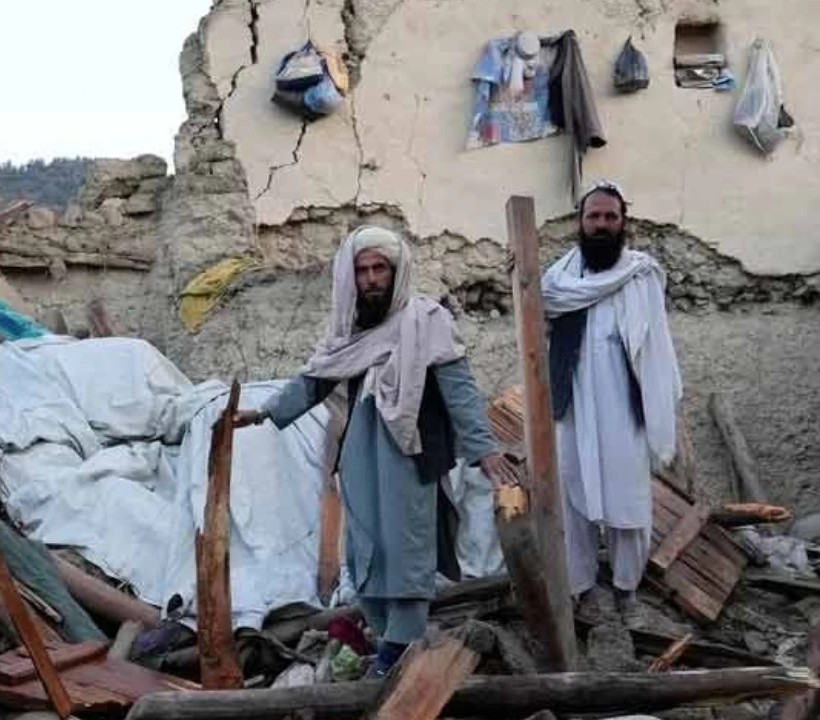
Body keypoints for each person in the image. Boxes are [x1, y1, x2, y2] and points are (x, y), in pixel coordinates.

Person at [234, 225, 517, 677]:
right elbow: (316, 379)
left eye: (379, 268)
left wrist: (484, 450)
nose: (370, 279)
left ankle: (397, 648)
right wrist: (263, 413)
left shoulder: (427, 321)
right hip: (362, 446)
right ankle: (391, 639)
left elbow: (459, 390)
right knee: (366, 546)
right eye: (362, 270)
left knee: (406, 546)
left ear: (397, 271)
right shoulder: (347, 332)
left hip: (409, 448)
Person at [540, 181, 681, 620]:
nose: (601, 224)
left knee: (629, 497)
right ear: (580, 223)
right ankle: (581, 587)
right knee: (571, 493)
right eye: (593, 217)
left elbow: (656, 344)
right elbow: (535, 305)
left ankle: (625, 589)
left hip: (624, 406)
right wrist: (515, 271)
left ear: (624, 223)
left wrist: (660, 399)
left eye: (610, 217)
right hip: (573, 404)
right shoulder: (557, 280)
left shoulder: (641, 275)